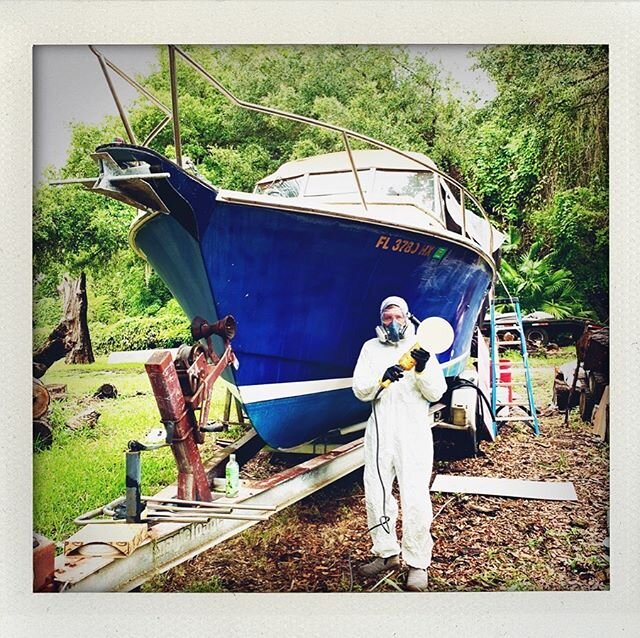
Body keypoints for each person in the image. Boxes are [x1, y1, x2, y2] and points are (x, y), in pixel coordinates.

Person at [352, 296, 447, 592]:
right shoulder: (370, 348)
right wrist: (381, 380)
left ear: (408, 317)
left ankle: (418, 563)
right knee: (376, 493)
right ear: (381, 320)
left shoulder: (421, 347)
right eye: (387, 318)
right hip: (380, 431)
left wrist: (423, 368)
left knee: (415, 496)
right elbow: (360, 389)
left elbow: (436, 392)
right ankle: (386, 553)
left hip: (413, 432)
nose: (393, 323)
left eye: (397, 317)